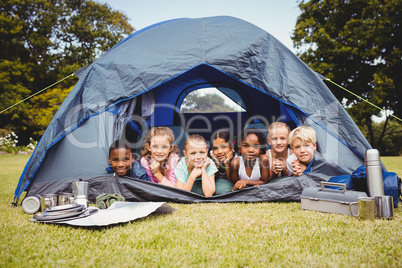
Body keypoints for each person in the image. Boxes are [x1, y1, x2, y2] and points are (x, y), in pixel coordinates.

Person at [209, 129, 235, 194]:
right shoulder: (210, 160)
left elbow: (231, 182)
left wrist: (226, 165)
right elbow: (212, 181)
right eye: (215, 148)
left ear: (232, 148)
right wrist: (216, 165)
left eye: (223, 147)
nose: (219, 152)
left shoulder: (237, 160)